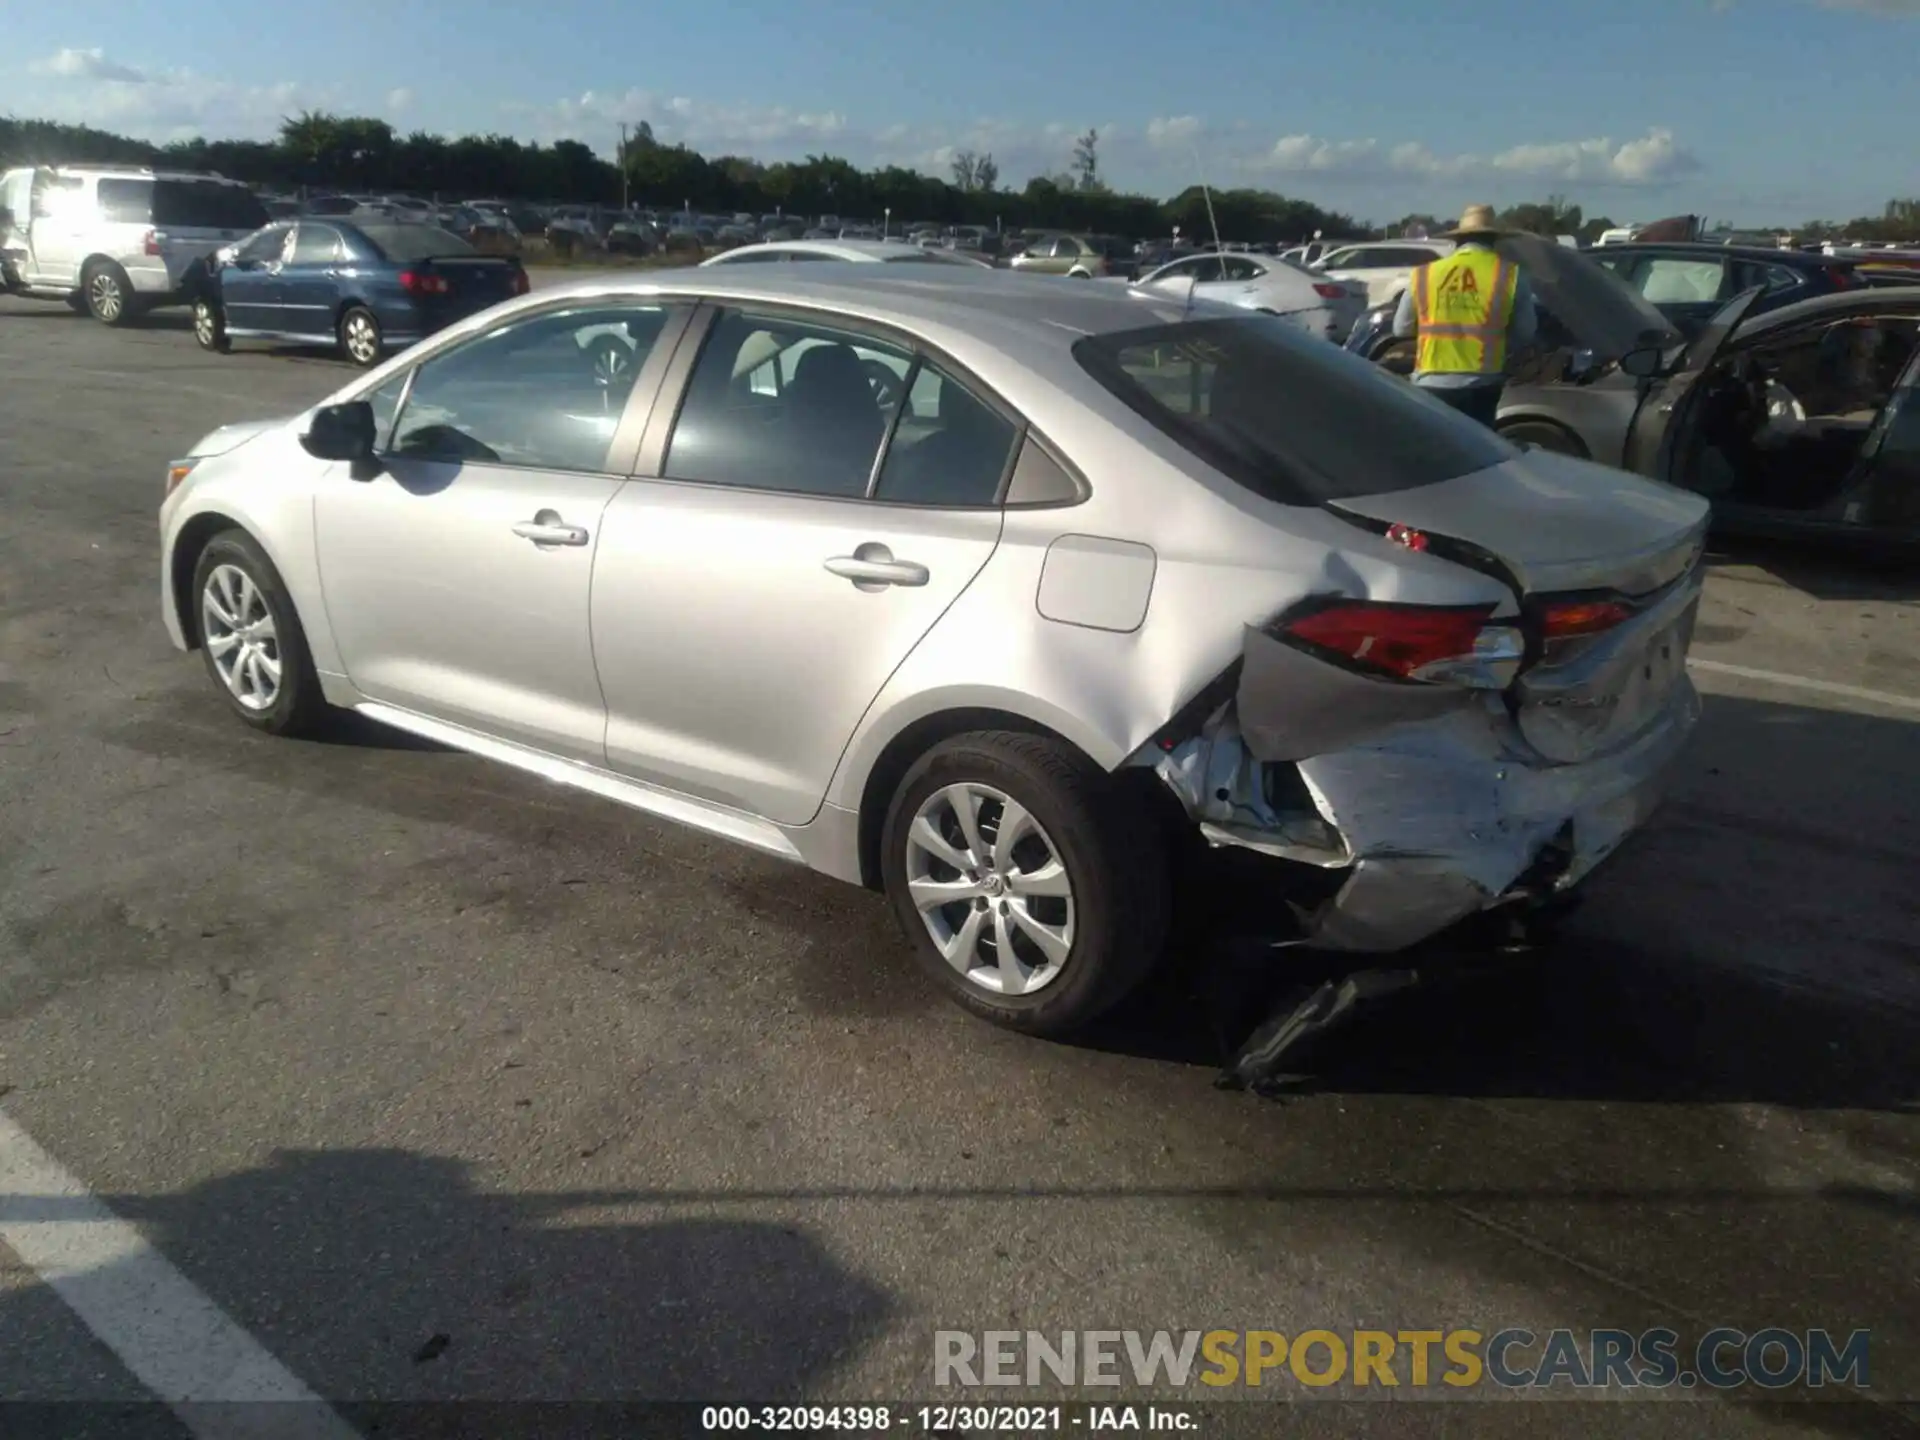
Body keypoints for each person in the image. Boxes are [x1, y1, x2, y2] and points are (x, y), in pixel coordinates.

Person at [1391, 203, 1537, 427]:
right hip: (1482, 383)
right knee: (1478, 453)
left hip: (1431, 382)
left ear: (1458, 240)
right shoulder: (1511, 275)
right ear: (1494, 240)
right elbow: (1525, 333)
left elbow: (1400, 328)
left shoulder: (1424, 274)